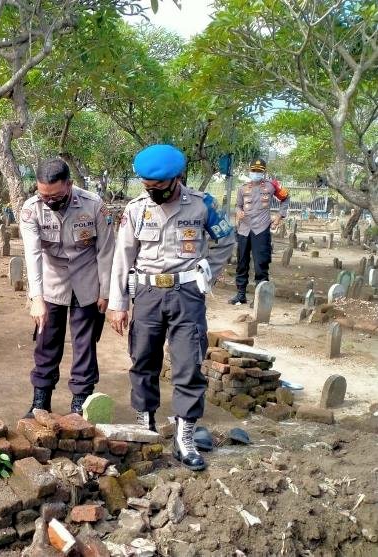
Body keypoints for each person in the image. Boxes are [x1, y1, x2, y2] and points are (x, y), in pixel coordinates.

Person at [107, 144, 235, 471]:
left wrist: (208, 275)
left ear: (176, 179)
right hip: (148, 294)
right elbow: (122, 258)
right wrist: (119, 304)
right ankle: (146, 425)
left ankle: (184, 436)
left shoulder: (202, 205)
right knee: (143, 359)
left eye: (159, 187)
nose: (153, 192)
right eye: (147, 186)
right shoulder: (136, 209)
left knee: (188, 363)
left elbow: (226, 240)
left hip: (186, 294)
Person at [20, 158, 115, 416]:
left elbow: (106, 251)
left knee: (84, 344)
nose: (50, 201)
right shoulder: (31, 209)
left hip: (87, 279)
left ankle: (80, 403)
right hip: (52, 281)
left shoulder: (93, 205)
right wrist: (36, 298)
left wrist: (106, 292)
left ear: (70, 185)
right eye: (44, 195)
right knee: (46, 340)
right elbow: (33, 255)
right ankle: (41, 401)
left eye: (56, 196)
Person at [229, 159, 290, 305]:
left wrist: (279, 216)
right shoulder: (242, 188)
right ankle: (241, 294)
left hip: (261, 229)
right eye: (254, 171)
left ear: (264, 172)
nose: (256, 173)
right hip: (244, 229)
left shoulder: (271, 186)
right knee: (241, 262)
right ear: (250, 171)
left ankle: (260, 297)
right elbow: (237, 205)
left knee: (260, 264)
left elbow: (286, 197)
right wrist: (238, 212)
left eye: (259, 171)